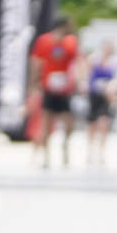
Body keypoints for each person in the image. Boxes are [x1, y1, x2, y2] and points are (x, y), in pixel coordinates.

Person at [29, 16, 80, 169]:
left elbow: (75, 63)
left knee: (69, 123)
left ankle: (65, 149)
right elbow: (36, 62)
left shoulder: (70, 42)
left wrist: (75, 81)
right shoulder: (44, 41)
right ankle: (46, 157)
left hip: (64, 90)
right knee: (46, 123)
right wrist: (34, 83)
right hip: (49, 87)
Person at [86, 40, 117, 166]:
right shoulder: (94, 60)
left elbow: (114, 80)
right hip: (94, 95)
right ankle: (90, 150)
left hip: (105, 97)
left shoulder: (113, 63)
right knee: (92, 123)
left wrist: (112, 93)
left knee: (104, 122)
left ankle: (101, 152)